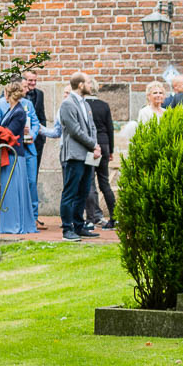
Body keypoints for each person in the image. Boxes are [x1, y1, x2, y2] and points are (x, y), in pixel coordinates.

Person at [0, 80, 39, 235]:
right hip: (6, 155)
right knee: (4, 190)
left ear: (7, 94)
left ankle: (14, 224)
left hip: (13, 156)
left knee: (12, 190)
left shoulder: (18, 112)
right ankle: (3, 224)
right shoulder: (12, 110)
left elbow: (9, 134)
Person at [58, 72, 101, 241]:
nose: (91, 86)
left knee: (83, 192)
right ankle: (67, 229)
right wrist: (93, 145)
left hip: (88, 155)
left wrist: (95, 146)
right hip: (74, 155)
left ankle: (79, 226)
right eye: (89, 83)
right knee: (70, 192)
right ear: (81, 85)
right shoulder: (67, 104)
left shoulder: (86, 104)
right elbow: (75, 131)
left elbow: (92, 128)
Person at [83, 76, 117, 230]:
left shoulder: (83, 105)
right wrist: (111, 150)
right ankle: (114, 217)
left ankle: (90, 219)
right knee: (104, 183)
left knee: (89, 182)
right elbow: (110, 129)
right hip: (104, 144)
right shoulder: (104, 105)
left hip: (91, 146)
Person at [23, 69, 49, 164]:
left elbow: (42, 116)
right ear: (24, 80)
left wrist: (42, 138)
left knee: (35, 169)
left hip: (36, 139)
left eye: (35, 80)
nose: (33, 83)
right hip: (21, 138)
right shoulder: (17, 94)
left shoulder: (40, 94)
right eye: (30, 80)